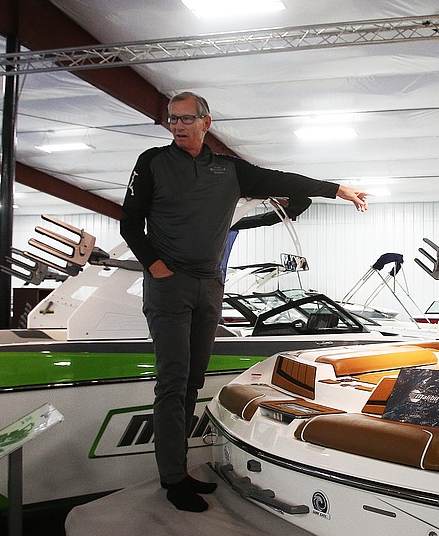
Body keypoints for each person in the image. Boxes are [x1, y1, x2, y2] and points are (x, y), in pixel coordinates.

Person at [120, 92, 369, 511]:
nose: (178, 126)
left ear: (206, 121)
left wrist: (337, 189)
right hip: (170, 285)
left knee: (193, 380)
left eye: (186, 119)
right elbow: (130, 221)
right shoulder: (153, 162)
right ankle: (173, 478)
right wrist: (155, 266)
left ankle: (178, 470)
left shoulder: (229, 170)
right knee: (172, 381)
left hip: (209, 285)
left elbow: (284, 180)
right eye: (171, 120)